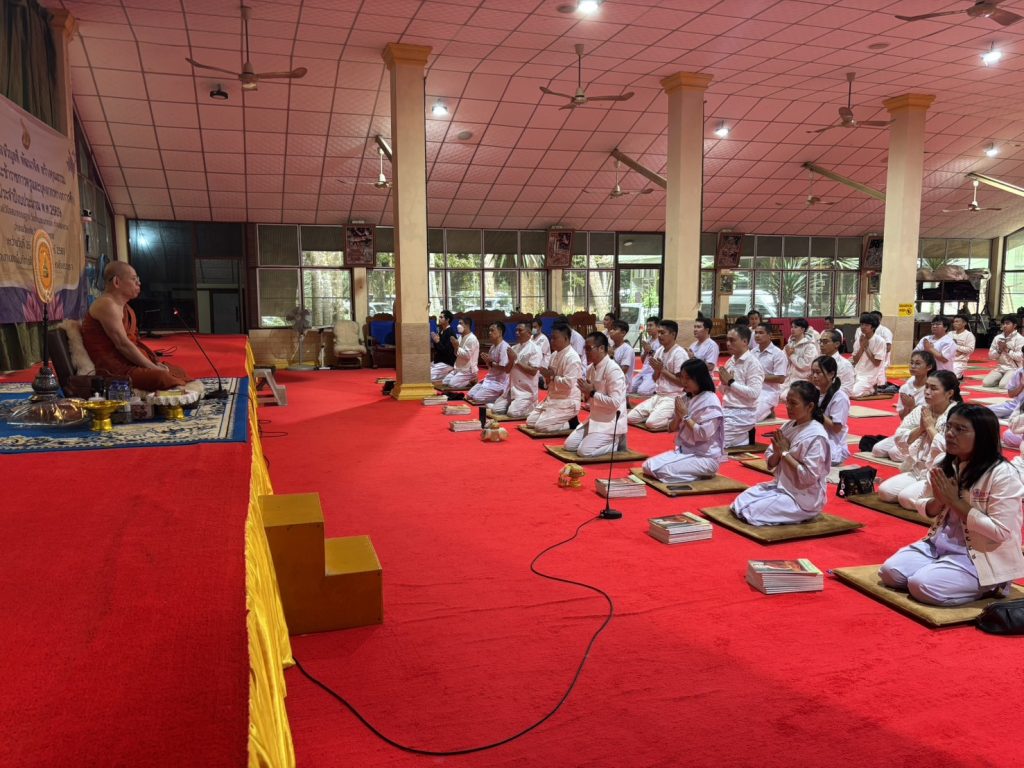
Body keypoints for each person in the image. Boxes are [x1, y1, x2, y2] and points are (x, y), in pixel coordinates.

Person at [879, 404, 1024, 606]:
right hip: (938, 544)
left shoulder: (1002, 474)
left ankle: (994, 584)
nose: (949, 434)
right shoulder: (943, 461)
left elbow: (1001, 532)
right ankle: (942, 570)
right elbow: (924, 504)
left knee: (921, 586)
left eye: (960, 429)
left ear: (982, 436)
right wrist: (940, 501)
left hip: (981, 554)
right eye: (949, 427)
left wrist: (956, 502)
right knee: (891, 573)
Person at [730, 381, 831, 525]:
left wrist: (784, 453)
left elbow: (808, 477)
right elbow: (770, 463)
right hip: (782, 487)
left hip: (802, 497)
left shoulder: (817, 436)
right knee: (741, 501)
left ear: (810, 406)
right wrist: (778, 453)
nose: (788, 406)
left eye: (793, 403)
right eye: (787, 402)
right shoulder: (788, 425)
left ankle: (804, 513)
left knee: (751, 511)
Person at [81, 262, 189, 391]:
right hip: (114, 369)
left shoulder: (126, 308)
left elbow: (134, 341)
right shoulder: (106, 305)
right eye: (134, 279)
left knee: (177, 371)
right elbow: (123, 345)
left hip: (129, 361)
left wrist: (153, 362)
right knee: (162, 377)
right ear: (116, 282)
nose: (139, 283)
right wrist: (152, 367)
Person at [877, 371, 962, 510]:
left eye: (933, 388)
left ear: (949, 393)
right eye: (926, 387)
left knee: (905, 498)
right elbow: (899, 437)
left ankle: (944, 499)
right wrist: (921, 429)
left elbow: (950, 449)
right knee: (884, 492)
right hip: (917, 469)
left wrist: (930, 428)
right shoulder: (922, 410)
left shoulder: (957, 415)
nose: (927, 392)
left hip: (941, 473)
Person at [641, 358, 725, 482]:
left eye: (688, 378)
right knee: (648, 466)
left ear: (699, 378)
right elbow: (671, 428)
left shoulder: (710, 401)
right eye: (682, 377)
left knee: (661, 471)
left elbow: (703, 435)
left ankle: (702, 474)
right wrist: (678, 416)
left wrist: (685, 416)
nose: (683, 382)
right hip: (685, 452)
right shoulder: (686, 397)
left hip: (705, 458)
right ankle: (695, 474)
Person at [564, 332, 627, 457]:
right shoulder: (590, 368)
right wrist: (586, 394)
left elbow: (615, 403)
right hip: (594, 418)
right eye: (585, 349)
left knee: (584, 452)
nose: (586, 352)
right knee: (569, 445)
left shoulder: (613, 370)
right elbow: (589, 400)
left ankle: (615, 443)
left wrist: (592, 393)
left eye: (589, 348)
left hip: (610, 421)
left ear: (601, 348)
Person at [871, 350, 937, 463]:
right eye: (911, 363)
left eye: (917, 363)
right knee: (877, 450)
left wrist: (913, 406)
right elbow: (903, 418)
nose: (913, 366)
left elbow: (929, 419)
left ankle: (923, 454)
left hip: (923, 432)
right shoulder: (906, 387)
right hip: (907, 430)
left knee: (894, 453)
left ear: (929, 367)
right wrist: (908, 407)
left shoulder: (931, 389)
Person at [627, 320, 687, 430]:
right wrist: (658, 371)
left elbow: (682, 383)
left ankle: (676, 417)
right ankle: (657, 414)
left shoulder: (679, 353)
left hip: (674, 396)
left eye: (662, 333)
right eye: (659, 332)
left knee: (651, 424)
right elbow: (655, 379)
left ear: (673, 334)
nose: (659, 335)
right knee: (630, 418)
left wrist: (662, 370)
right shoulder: (659, 351)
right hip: (659, 395)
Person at [525, 323, 583, 433]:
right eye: (551, 338)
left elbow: (568, 384)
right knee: (530, 422)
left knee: (541, 427)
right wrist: (546, 377)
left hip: (567, 400)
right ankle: (561, 419)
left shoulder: (572, 357)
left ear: (565, 339)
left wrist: (551, 376)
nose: (552, 341)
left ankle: (571, 422)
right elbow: (549, 380)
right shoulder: (554, 354)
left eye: (555, 338)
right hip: (553, 398)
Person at [718, 324, 766, 447]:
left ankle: (744, 437)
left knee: (716, 446)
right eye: (727, 340)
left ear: (744, 342)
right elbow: (723, 391)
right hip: (726, 409)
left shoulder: (753, 363)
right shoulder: (730, 361)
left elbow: (754, 394)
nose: (728, 343)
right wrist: (723, 383)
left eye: (732, 340)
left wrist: (731, 382)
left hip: (743, 413)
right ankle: (741, 438)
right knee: (701, 437)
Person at [491, 323, 540, 418]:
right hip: (513, 388)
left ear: (529, 333)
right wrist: (511, 360)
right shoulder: (514, 348)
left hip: (526, 391)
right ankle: (513, 405)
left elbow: (533, 371)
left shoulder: (535, 349)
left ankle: (531, 405)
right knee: (495, 410)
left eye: (520, 330)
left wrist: (516, 360)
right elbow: (507, 370)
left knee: (512, 413)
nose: (517, 333)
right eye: (516, 330)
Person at [810, 355, 850, 466]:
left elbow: (836, 428)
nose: (814, 376)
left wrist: (815, 411)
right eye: (813, 372)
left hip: (833, 444)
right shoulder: (815, 392)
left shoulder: (840, 397)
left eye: (818, 372)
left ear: (831, 374)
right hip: (815, 437)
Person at [752, 322, 787, 422]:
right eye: (756, 333)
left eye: (761, 333)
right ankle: (767, 412)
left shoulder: (778, 354)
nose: (757, 335)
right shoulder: (752, 352)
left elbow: (780, 378)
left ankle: (769, 410)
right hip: (751, 389)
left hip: (768, 392)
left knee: (751, 418)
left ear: (770, 335)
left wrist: (757, 376)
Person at [468, 323, 511, 404]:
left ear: (500, 332)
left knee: (477, 398)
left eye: (492, 330)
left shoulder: (504, 347)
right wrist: (487, 362)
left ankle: (501, 396)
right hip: (490, 379)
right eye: (489, 331)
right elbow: (490, 366)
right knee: (470, 395)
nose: (489, 333)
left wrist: (491, 362)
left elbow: (504, 368)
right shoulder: (492, 347)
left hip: (499, 382)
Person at [983, 315, 1024, 388]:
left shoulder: (1020, 339)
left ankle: (1016, 378)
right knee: (986, 383)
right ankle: (1004, 378)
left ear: (1014, 325)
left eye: (1007, 323)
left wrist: (1007, 349)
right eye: (1003, 324)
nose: (1004, 326)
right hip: (1000, 368)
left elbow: (1020, 357)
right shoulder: (998, 338)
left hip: (1014, 368)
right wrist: (999, 350)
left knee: (1003, 385)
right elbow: (990, 356)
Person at [851, 312, 886, 397]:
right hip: (857, 372)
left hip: (870, 375)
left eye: (866, 325)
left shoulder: (880, 341)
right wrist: (862, 347)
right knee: (843, 389)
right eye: (862, 324)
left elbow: (876, 363)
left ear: (873, 327)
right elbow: (855, 360)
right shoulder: (859, 340)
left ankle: (871, 390)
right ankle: (870, 390)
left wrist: (866, 348)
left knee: (853, 393)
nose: (863, 327)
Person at [441, 318, 479, 389]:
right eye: (458, 323)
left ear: (467, 325)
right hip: (459, 368)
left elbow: (467, 356)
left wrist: (457, 347)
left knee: (452, 385)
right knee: (445, 382)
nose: (458, 325)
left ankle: (471, 379)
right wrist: (455, 347)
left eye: (460, 323)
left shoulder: (472, 338)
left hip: (468, 370)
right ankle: (466, 379)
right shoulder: (460, 337)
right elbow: (456, 354)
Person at [782, 317, 816, 393]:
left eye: (795, 327)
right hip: (788, 378)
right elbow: (782, 360)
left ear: (803, 329)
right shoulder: (790, 344)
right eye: (792, 327)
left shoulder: (810, 346)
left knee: (784, 396)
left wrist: (791, 355)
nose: (792, 329)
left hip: (802, 380)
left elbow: (806, 365)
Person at [629, 316, 661, 395]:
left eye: (651, 325)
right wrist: (646, 351)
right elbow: (643, 361)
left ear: (658, 327)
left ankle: (659, 388)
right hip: (644, 371)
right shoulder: (648, 340)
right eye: (647, 326)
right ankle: (647, 385)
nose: (648, 328)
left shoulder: (661, 341)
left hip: (653, 372)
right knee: (629, 388)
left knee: (642, 391)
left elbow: (661, 360)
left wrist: (650, 351)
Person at [819, 329, 854, 396]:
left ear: (837, 344)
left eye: (825, 342)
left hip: (835, 397)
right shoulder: (819, 361)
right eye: (820, 342)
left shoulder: (845, 364)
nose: (821, 345)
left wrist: (826, 393)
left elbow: (847, 389)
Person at [429, 310, 458, 383]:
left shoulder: (450, 333)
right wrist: (436, 341)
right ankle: (444, 375)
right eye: (439, 317)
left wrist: (437, 342)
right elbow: (438, 349)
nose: (439, 319)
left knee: (426, 377)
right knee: (421, 372)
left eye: (441, 317)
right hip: (439, 361)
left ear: (447, 320)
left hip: (446, 362)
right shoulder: (441, 331)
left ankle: (448, 373)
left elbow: (447, 351)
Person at [608, 320, 635, 390]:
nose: (611, 331)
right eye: (611, 329)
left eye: (614, 329)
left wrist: (611, 357)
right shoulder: (611, 348)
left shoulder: (627, 349)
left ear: (623, 333)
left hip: (621, 384)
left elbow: (623, 371)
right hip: (610, 380)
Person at [950, 313, 976, 380]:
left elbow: (970, 349)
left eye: (957, 322)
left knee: (950, 378)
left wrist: (956, 346)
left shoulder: (969, 335)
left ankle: (960, 374)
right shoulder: (950, 333)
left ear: (964, 323)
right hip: (947, 360)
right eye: (954, 322)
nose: (954, 323)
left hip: (960, 361)